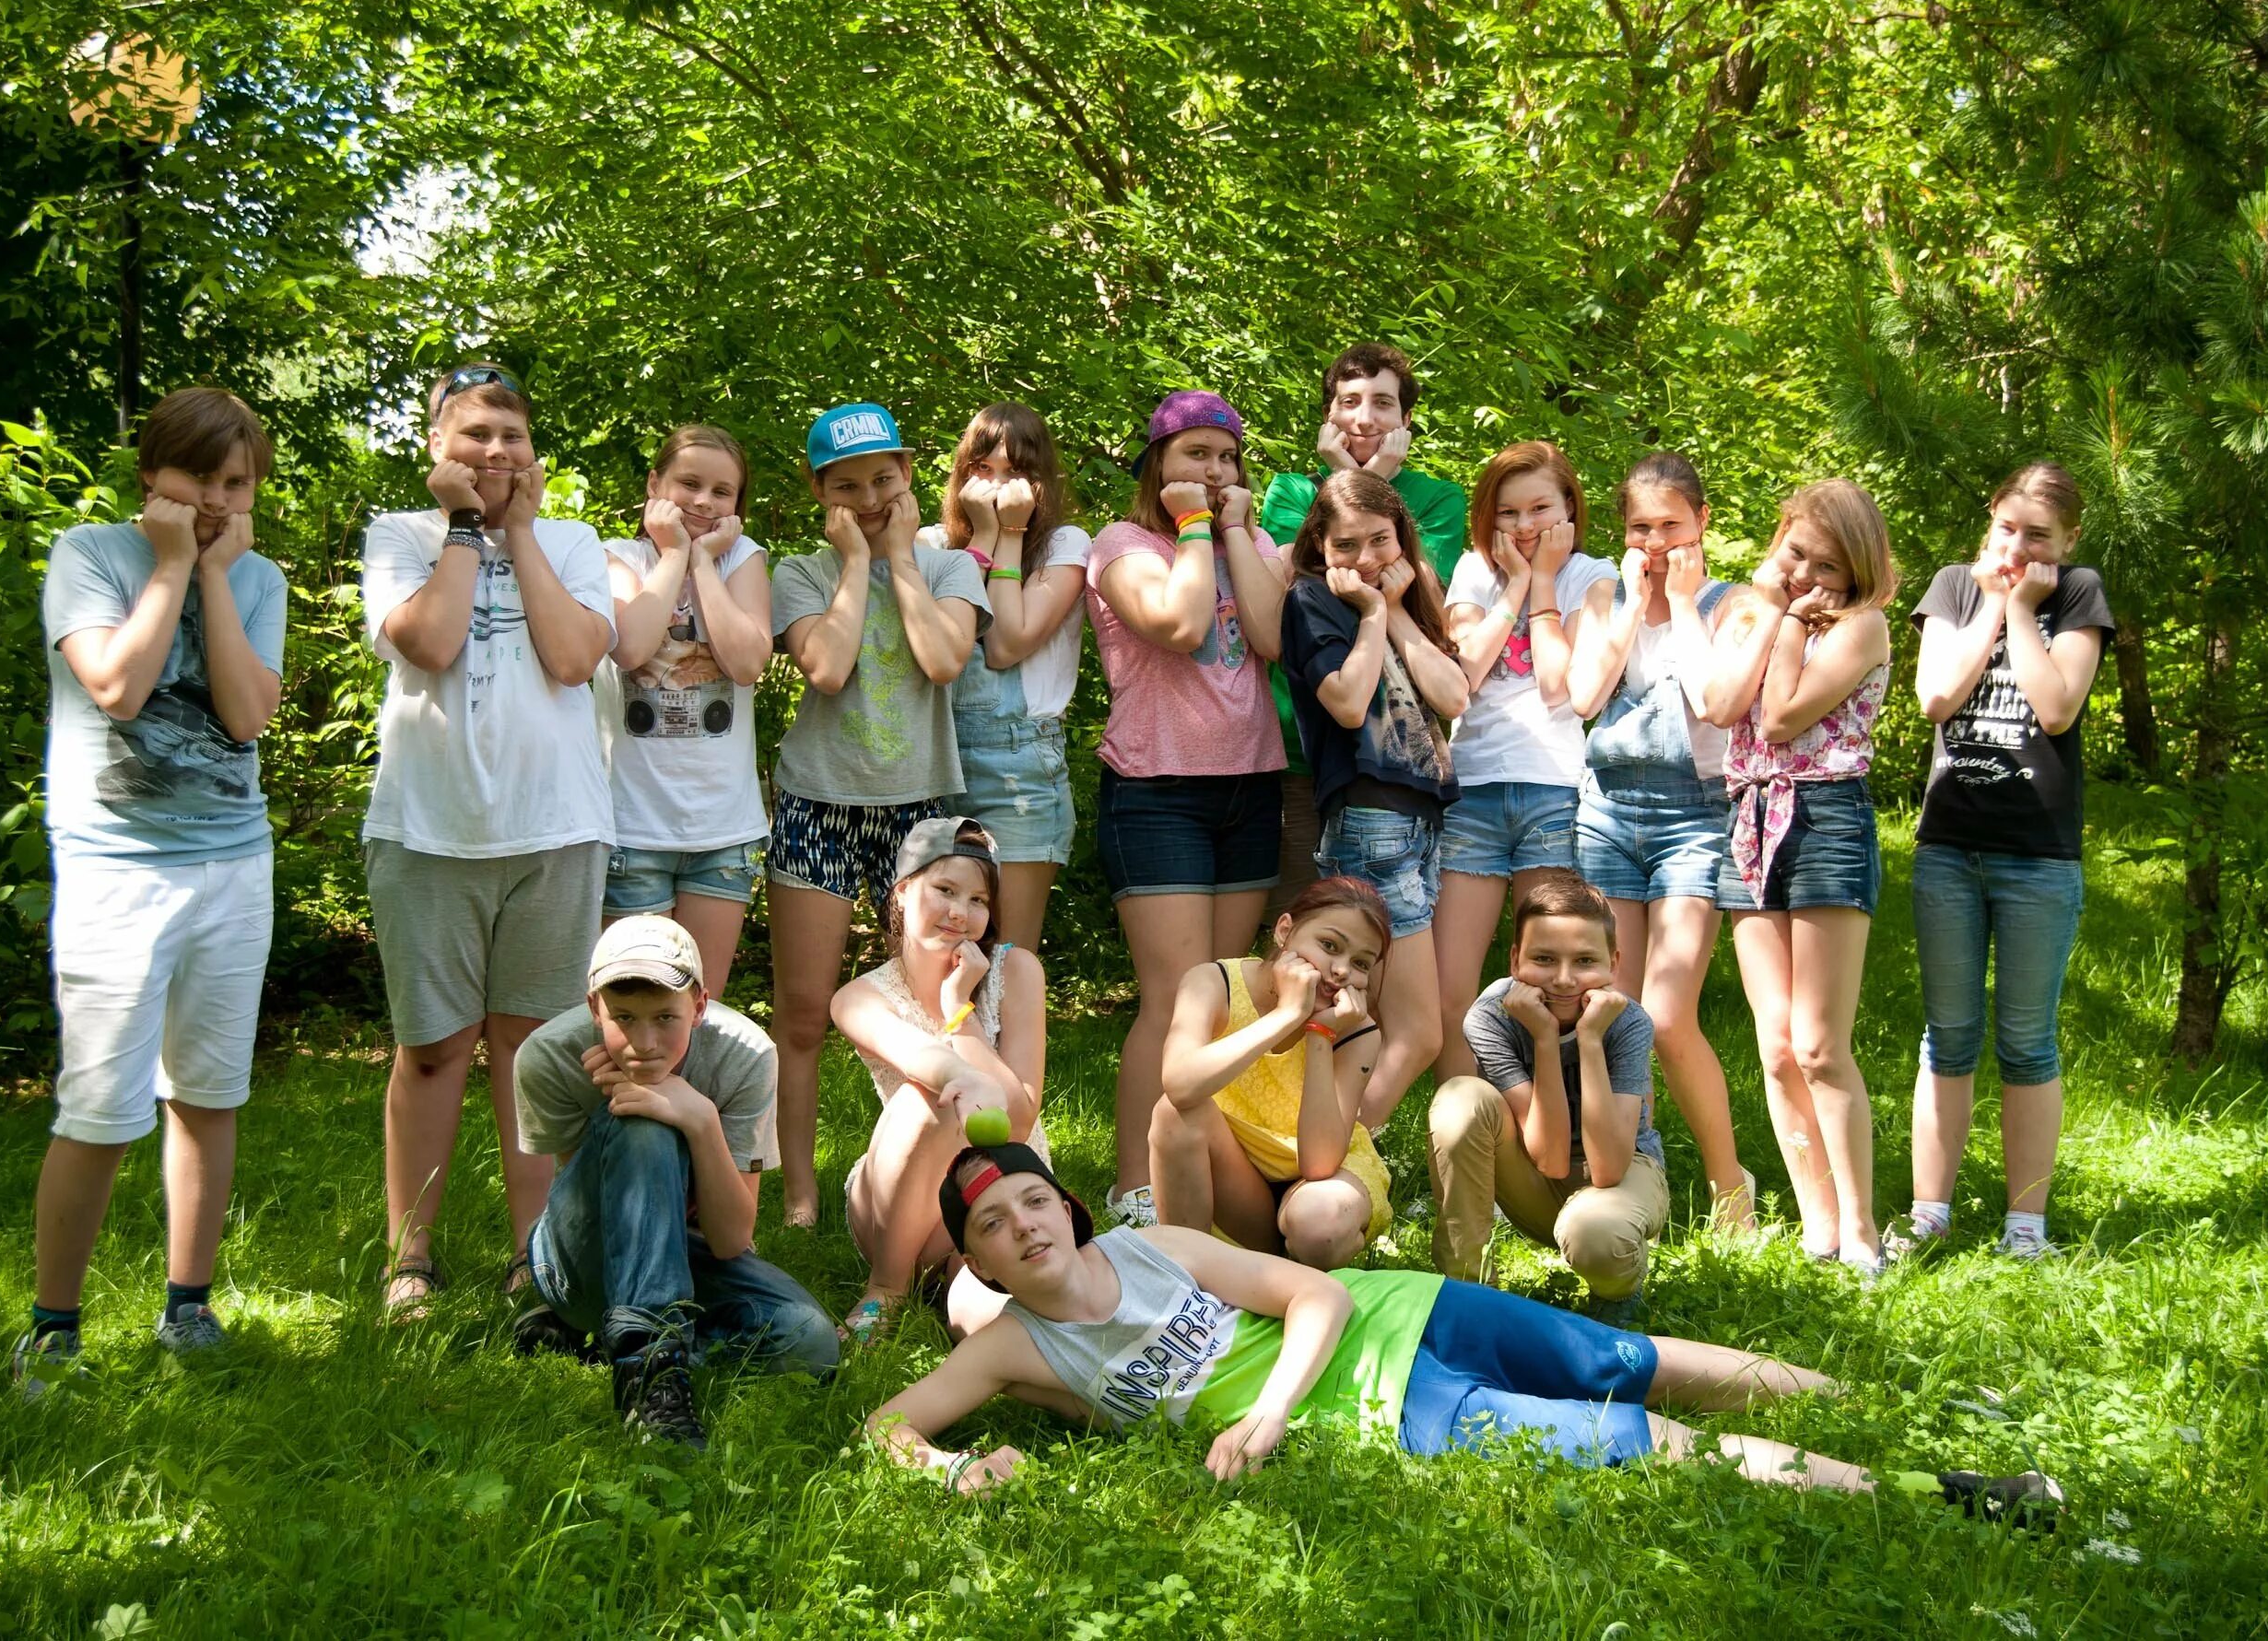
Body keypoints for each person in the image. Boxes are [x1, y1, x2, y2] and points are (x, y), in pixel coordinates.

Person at [863, 1144, 2064, 1531]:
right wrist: (961, 1470)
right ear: (972, 1259)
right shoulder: (1015, 1348)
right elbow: (884, 1424)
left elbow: (1318, 1297)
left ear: (1062, 1208)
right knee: (1639, 1439)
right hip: (1377, 1415)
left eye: (1032, 1201)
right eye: (991, 1224)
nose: (1022, 1224)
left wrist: (1266, 1412)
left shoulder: (1155, 1243)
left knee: (1628, 1359)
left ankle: (1869, 1398)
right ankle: (1944, 1490)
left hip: (1396, 1317)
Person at [15, 387, 288, 1393]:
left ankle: (189, 1306)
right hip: (116, 870)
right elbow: (119, 687)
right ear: (151, 476)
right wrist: (173, 566)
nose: (216, 498)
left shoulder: (256, 577)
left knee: (209, 1095)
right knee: (100, 1109)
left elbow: (249, 713)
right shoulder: (90, 557)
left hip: (230, 864)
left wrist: (213, 575)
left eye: (236, 482)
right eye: (198, 478)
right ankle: (52, 1328)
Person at [360, 363, 616, 1318]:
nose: (495, 451)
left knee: (533, 1050)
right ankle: (410, 1263)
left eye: (511, 435)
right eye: (474, 434)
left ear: (534, 452)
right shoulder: (400, 538)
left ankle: (533, 1257)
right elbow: (427, 642)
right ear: (436, 448)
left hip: (556, 832)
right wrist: (468, 532)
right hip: (429, 834)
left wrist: (517, 533)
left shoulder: (573, 541)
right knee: (430, 1051)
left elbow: (575, 655)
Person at [768, 403, 988, 1227]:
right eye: (846, 484)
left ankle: (944, 1176)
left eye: (883, 479)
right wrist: (856, 563)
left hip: (921, 814)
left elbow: (942, 659)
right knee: (801, 1008)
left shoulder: (951, 568)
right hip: (817, 804)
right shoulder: (798, 572)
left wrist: (899, 557)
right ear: (819, 488)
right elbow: (823, 668)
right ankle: (796, 1196)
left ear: (908, 473)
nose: (867, 496)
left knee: (936, 1003)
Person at [1893, 463, 2114, 1262]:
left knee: (2027, 1041)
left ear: (2070, 541)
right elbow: (1936, 697)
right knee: (1946, 1036)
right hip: (1950, 845)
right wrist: (1993, 598)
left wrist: (2024, 608)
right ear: (1989, 517)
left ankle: (2026, 1228)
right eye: (2007, 528)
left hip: (2038, 855)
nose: (2018, 547)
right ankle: (1931, 1215)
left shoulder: (2079, 594)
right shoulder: (1956, 585)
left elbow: (2056, 708)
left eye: (2039, 537)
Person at [512, 917, 838, 1449]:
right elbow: (583, 1202)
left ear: (701, 1006)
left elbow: (731, 1238)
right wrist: (632, 1106)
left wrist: (700, 1118)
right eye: (623, 1018)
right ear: (595, 1009)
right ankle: (651, 1374)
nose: (644, 1042)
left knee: (810, 1342)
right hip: (580, 1257)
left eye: (666, 1017)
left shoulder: (745, 1054)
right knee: (640, 1125)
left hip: (692, 1253)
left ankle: (595, 1340)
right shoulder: (548, 1055)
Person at [1085, 391, 1290, 1225]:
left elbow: (1273, 641)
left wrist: (1236, 529)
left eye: (1226, 456)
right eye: (1195, 454)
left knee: (1219, 995)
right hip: (1156, 788)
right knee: (1171, 998)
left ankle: (1201, 1170)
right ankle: (1137, 1184)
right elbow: (1176, 620)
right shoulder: (1121, 545)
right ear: (1157, 465)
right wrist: (1198, 529)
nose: (1213, 470)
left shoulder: (1256, 538)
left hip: (1251, 783)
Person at [1703, 479, 1899, 1276]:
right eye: (1795, 552)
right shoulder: (1747, 614)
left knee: (1819, 1045)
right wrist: (1770, 615)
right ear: (1775, 538)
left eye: (1826, 566)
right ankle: (1817, 1220)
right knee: (1776, 1046)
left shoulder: (1862, 627)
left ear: (1854, 575)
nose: (1806, 574)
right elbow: (1722, 707)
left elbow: (1781, 717)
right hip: (1747, 819)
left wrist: (1784, 620)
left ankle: (1862, 1227)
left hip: (1823, 820)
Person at [1566, 453, 1757, 1233]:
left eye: (1671, 525)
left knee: (1669, 1015)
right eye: (1640, 527)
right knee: (1613, 1008)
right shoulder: (1605, 595)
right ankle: (1637, 1177)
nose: (1654, 541)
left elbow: (1716, 707)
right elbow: (1584, 695)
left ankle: (1729, 1186)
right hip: (1608, 808)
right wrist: (1631, 605)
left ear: (1702, 522)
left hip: (1694, 816)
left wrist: (1679, 604)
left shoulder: (1733, 603)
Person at [1277, 471, 1467, 1125]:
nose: (1366, 560)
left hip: (1420, 823)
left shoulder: (1411, 602)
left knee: (1372, 1018)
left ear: (1401, 536)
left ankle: (1330, 1157)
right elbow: (1350, 704)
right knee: (1419, 1031)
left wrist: (1402, 618)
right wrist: (1374, 615)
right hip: (1370, 820)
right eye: (1346, 546)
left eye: (1380, 541)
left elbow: (1454, 696)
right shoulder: (1310, 602)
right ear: (1320, 548)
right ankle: (1342, 1155)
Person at [1261, 343, 1469, 921]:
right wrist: (1356, 480)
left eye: (1383, 403)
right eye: (1349, 401)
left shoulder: (1440, 497)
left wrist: (1360, 484)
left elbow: (1416, 585)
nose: (1365, 417)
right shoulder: (1290, 492)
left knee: (1394, 928)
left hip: (1396, 757)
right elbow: (1294, 584)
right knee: (1308, 923)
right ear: (1329, 414)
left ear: (1406, 420)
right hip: (1305, 748)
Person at [1433, 442, 1619, 1084]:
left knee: (1544, 989)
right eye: (1507, 511)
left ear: (1570, 507)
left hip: (1551, 789)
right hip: (1473, 790)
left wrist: (1544, 579)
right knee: (1450, 990)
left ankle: (1544, 1142)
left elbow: (1555, 684)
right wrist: (1516, 580)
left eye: (1541, 506)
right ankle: (1461, 1147)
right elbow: (1467, 671)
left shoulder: (1592, 574)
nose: (1524, 524)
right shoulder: (1471, 571)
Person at [831, 818, 1048, 1340]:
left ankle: (967, 1282)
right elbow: (929, 1063)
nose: (961, 913)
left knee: (990, 1327)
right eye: (945, 890)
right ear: (903, 891)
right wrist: (962, 1075)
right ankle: (886, 1289)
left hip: (999, 1188)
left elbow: (1016, 1120)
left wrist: (960, 1012)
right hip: (904, 1207)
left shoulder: (1018, 972)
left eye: (978, 900)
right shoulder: (860, 997)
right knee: (930, 1097)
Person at [1428, 873, 1667, 1319]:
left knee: (1597, 1233)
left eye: (1584, 961)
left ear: (1613, 964)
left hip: (1619, 1176)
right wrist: (1543, 1038)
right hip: (1535, 1175)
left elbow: (1610, 1167)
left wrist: (1591, 1040)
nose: (1563, 979)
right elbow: (1552, 1160)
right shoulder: (1491, 1016)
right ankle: (1469, 1298)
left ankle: (1617, 1292)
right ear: (1515, 958)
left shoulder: (1629, 1022)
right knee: (1460, 1098)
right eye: (1543, 958)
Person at [1150, 876, 1396, 1270]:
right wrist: (1286, 1016)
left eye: (1360, 964)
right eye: (1329, 946)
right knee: (1174, 1114)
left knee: (1321, 1223)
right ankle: (1189, 1282)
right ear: (1285, 930)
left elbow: (1319, 1164)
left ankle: (1303, 1291)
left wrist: (1319, 1032)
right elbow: (1179, 1086)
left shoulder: (1359, 1031)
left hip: (1317, 1186)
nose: (1339, 971)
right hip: (1236, 1177)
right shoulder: (1213, 983)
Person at [602, 424, 771, 993]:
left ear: (737, 506)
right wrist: (675, 553)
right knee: (636, 1005)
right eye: (689, 483)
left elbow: (748, 662)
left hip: (721, 828)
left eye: (722, 491)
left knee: (699, 1003)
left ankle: (692, 1090)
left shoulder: (742, 560)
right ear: (655, 484)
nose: (703, 500)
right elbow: (630, 647)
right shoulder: (617, 557)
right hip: (634, 826)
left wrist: (705, 564)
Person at [928, 404, 1091, 953]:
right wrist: (982, 537)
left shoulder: (1064, 545)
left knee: (1005, 957)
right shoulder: (930, 546)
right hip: (933, 761)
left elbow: (1004, 644)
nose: (999, 483)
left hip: (1020, 766)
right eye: (984, 468)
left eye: (1016, 471)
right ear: (962, 472)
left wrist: (1011, 533)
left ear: (1040, 480)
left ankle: (1008, 1044)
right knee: (934, 953)